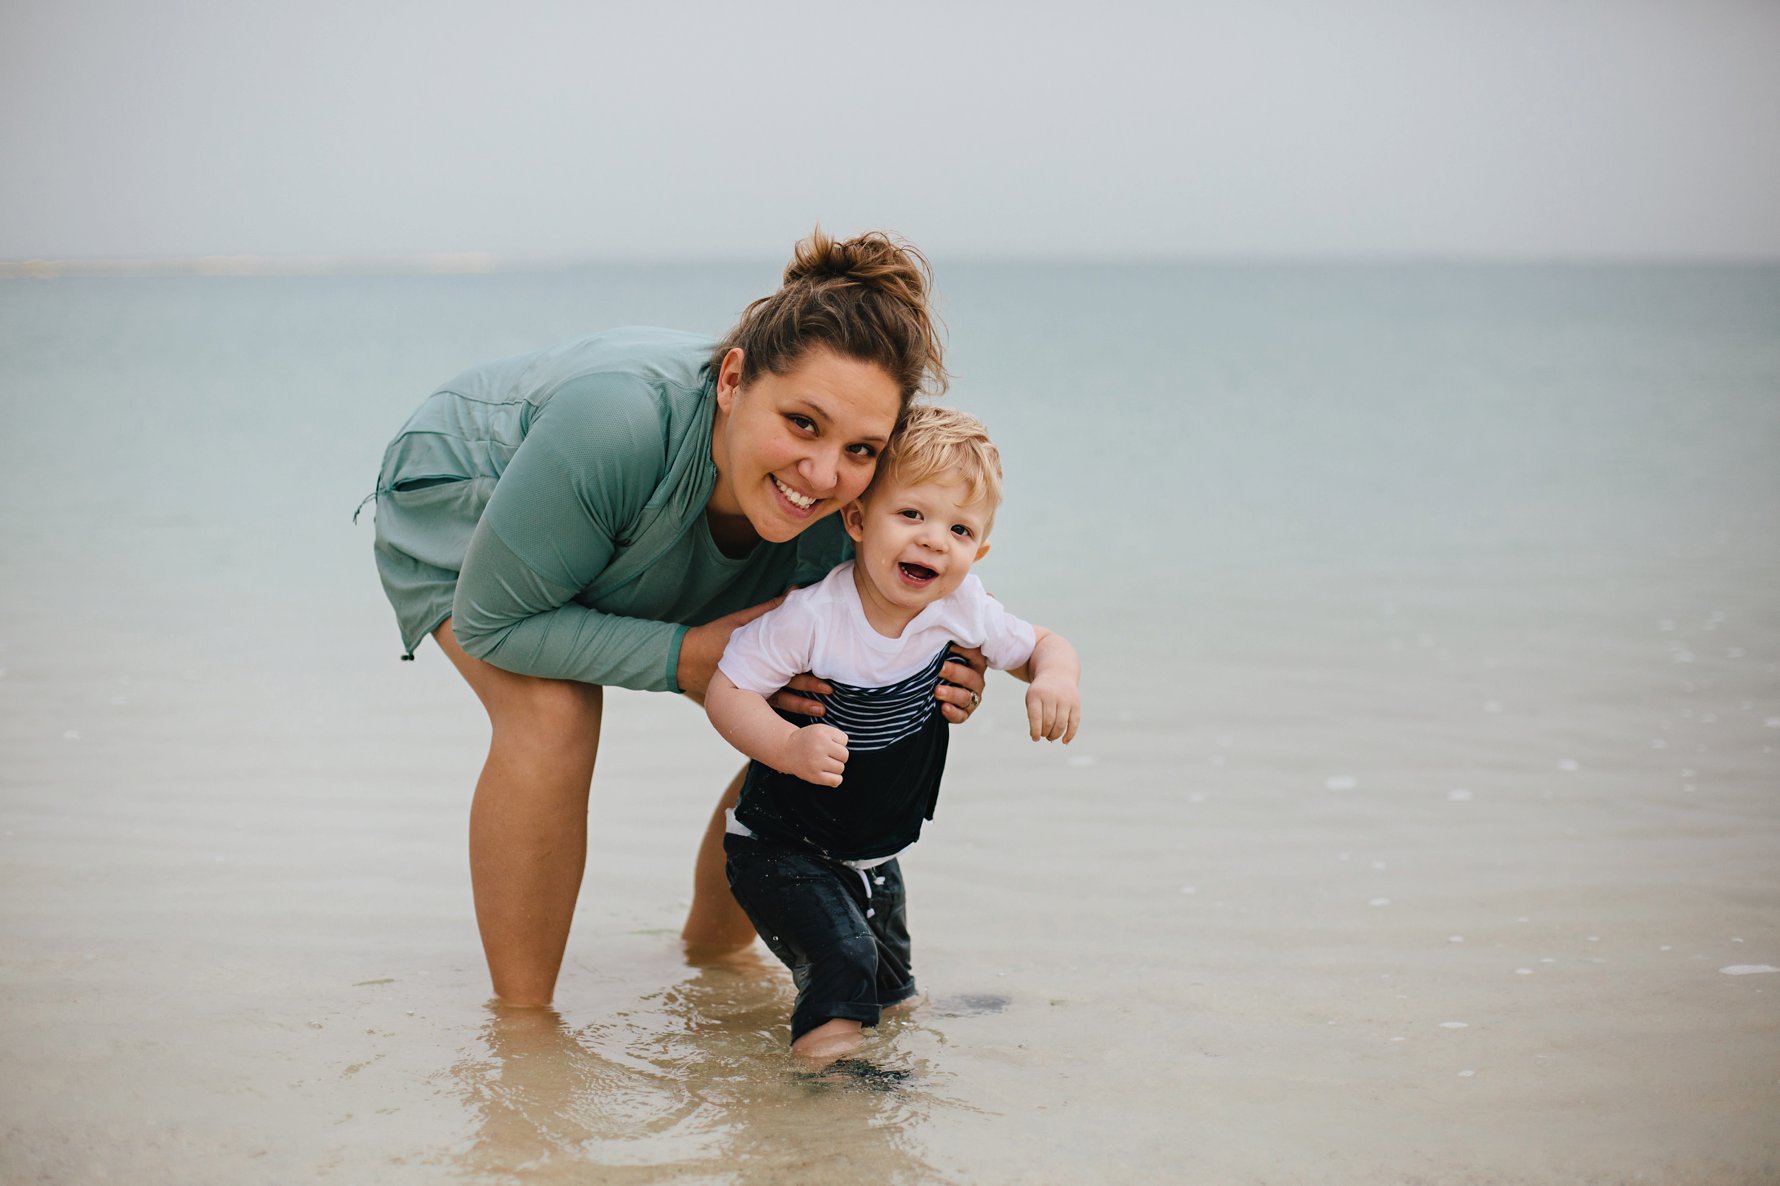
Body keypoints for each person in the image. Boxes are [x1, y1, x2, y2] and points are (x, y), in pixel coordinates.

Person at [366, 230, 990, 1007]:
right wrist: (688, 655)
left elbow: (916, 611)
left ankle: (715, 961)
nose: (824, 473)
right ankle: (525, 1029)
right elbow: (493, 623)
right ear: (732, 380)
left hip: (645, 534)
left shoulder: (849, 499)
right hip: (474, 497)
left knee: (821, 708)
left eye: (861, 448)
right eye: (802, 422)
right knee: (554, 710)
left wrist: (937, 664)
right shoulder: (616, 421)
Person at [704, 406, 1082, 1060]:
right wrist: (787, 746)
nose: (934, 541)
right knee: (843, 961)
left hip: (873, 848)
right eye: (911, 515)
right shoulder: (814, 618)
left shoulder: (962, 607)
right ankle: (826, 1085)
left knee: (890, 986)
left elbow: (1044, 644)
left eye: (959, 529)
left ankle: (885, 1044)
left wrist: (1055, 678)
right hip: (780, 845)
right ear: (857, 520)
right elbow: (726, 691)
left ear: (978, 553)